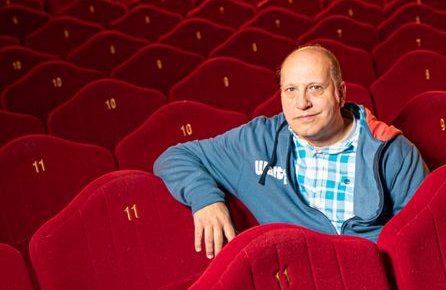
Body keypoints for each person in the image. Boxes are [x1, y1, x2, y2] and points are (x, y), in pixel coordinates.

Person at [154, 44, 428, 257]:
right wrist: (205, 199)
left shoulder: (391, 151)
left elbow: (421, 238)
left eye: (315, 88)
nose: (301, 103)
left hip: (373, 280)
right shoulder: (257, 141)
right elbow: (175, 157)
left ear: (341, 93)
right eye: (290, 90)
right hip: (297, 286)